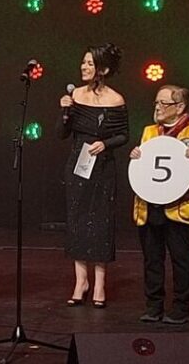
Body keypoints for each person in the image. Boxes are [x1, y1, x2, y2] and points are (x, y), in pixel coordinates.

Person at [130, 85, 189, 324]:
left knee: (181, 258)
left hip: (180, 207)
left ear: (180, 107)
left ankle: (181, 307)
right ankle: (153, 306)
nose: (157, 107)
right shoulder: (149, 131)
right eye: (156, 103)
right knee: (152, 259)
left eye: (163, 103)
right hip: (149, 205)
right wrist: (136, 159)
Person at [57, 43, 128, 308]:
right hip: (78, 164)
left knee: (100, 222)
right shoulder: (75, 95)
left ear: (103, 69)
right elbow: (61, 133)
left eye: (90, 63)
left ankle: (99, 283)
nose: (84, 67)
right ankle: (80, 281)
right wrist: (65, 112)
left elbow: (124, 135)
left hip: (102, 167)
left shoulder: (116, 100)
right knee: (76, 219)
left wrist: (105, 144)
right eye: (83, 62)